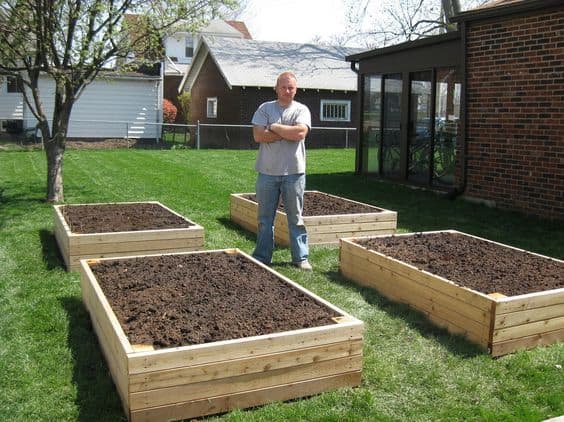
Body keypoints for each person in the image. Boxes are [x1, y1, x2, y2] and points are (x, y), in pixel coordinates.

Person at [251, 71, 312, 270]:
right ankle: (262, 256)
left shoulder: (302, 109)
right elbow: (259, 136)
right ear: (276, 88)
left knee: (295, 218)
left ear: (296, 89)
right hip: (267, 172)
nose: (287, 91)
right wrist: (287, 132)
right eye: (283, 87)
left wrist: (275, 127)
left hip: (294, 173)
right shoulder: (264, 108)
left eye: (291, 87)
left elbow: (300, 132)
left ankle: (300, 258)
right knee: (265, 218)